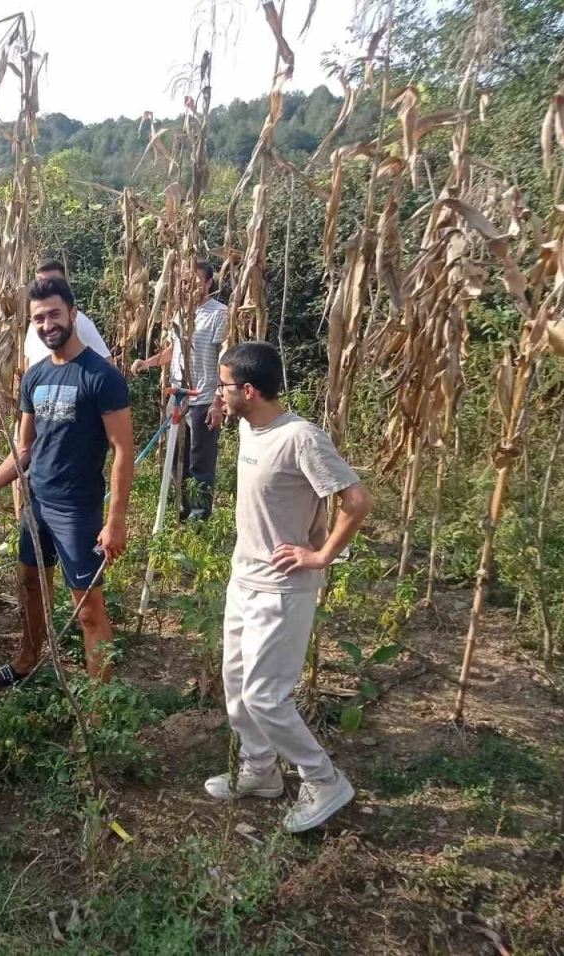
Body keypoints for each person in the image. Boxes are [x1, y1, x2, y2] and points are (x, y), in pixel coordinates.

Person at [207, 341, 373, 833]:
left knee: (264, 694)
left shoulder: (301, 438)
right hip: (245, 579)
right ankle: (259, 770)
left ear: (250, 390)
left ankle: (323, 779)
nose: (222, 393)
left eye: (225, 386)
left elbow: (356, 501)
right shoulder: (247, 425)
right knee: (236, 686)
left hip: (283, 588)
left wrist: (321, 555)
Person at [0, 277, 134, 687]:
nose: (47, 324)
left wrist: (115, 519)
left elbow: (123, 450)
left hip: (77, 508)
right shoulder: (33, 378)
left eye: (54, 314)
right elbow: (25, 449)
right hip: (36, 502)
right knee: (31, 583)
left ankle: (99, 709)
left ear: (73, 314)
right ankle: (26, 660)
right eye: (38, 318)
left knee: (88, 608)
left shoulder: (101, 376)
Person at [129, 261, 229, 520]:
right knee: (176, 459)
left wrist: (218, 402)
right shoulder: (180, 314)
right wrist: (148, 362)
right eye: (184, 283)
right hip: (178, 397)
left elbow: (224, 358)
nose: (188, 288)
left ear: (209, 283)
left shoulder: (219, 313)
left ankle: (199, 518)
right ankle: (180, 511)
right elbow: (173, 351)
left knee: (199, 461)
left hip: (203, 397)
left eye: (194, 282)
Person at [23, 259, 112, 368]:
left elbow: (108, 362)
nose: (47, 287)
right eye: (41, 281)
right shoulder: (36, 324)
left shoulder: (79, 321)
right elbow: (28, 360)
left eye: (53, 281)